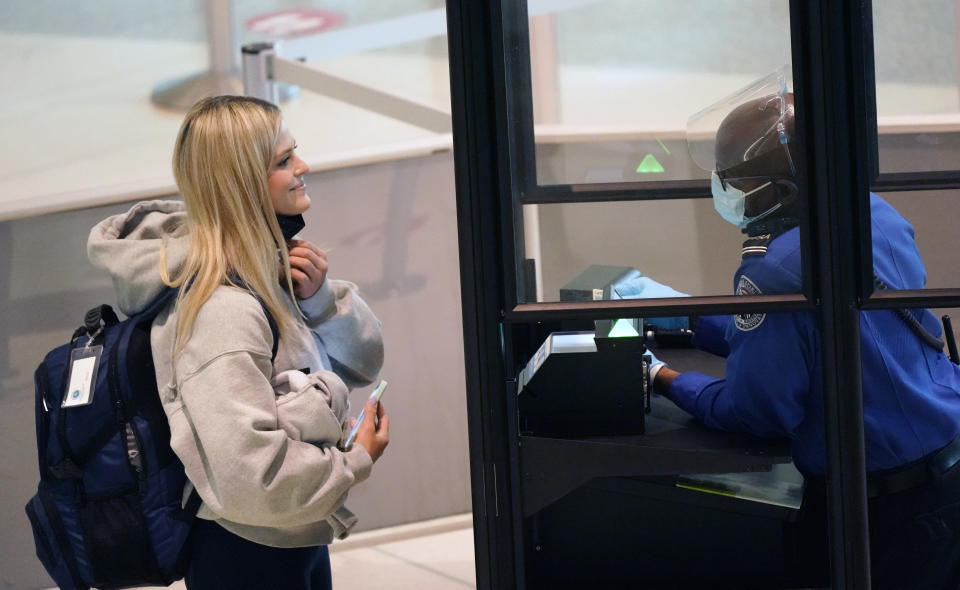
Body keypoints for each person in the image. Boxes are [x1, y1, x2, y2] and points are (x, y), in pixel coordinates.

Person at [646, 76, 960, 588]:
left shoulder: (772, 271)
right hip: (946, 470)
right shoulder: (875, 216)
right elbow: (823, 337)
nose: (729, 192)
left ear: (780, 190)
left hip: (881, 508)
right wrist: (693, 320)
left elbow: (758, 412)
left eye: (737, 182)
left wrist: (662, 376)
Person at [86, 95, 389, 590]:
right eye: (283, 161)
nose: (303, 167)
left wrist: (320, 303)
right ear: (243, 182)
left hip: (290, 536)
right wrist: (355, 459)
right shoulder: (222, 308)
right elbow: (251, 474)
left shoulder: (269, 274)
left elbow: (363, 363)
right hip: (249, 552)